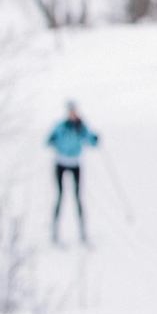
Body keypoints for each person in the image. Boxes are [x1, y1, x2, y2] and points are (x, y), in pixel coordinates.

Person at [47, 101, 99, 246]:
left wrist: (95, 139)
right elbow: (48, 140)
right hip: (61, 163)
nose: (73, 115)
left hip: (75, 163)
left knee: (77, 197)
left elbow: (90, 141)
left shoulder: (81, 127)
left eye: (74, 112)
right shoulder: (61, 126)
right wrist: (52, 139)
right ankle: (54, 230)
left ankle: (82, 232)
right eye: (71, 112)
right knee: (60, 196)